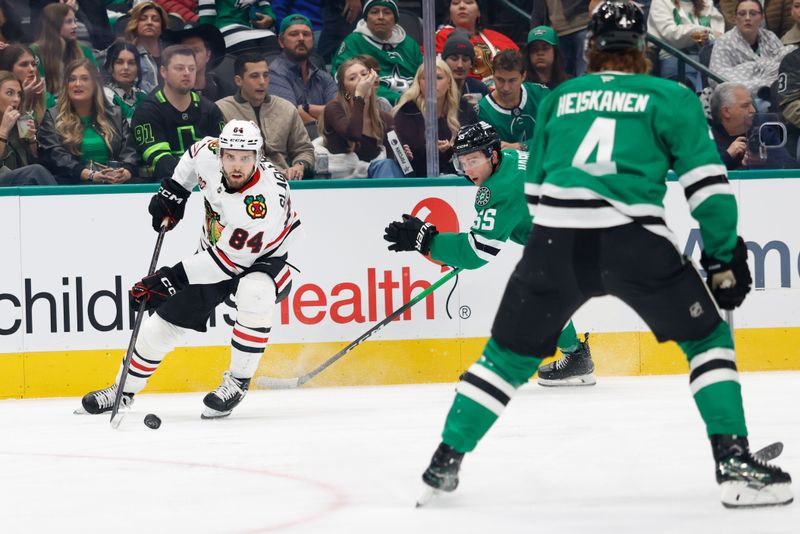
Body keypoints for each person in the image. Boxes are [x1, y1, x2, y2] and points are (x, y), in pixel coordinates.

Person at [414, 1, 792, 509]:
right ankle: (735, 464)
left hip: (556, 243)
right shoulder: (670, 96)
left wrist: (545, 252)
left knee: (503, 357)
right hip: (636, 240)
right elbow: (709, 189)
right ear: (644, 50)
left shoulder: (558, 98)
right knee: (708, 340)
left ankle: (444, 461)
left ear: (590, 47)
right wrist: (723, 257)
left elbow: (538, 186)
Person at [81, 119, 300, 418]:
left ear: (258, 156)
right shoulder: (207, 152)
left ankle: (236, 383)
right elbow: (192, 156)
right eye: (230, 156)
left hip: (265, 259)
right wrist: (174, 192)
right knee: (161, 327)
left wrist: (170, 279)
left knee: (255, 293)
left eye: (246, 158)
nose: (237, 165)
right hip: (214, 254)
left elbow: (228, 263)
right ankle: (123, 390)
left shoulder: (261, 201)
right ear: (220, 152)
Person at [384, 121, 595, 384]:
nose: (468, 170)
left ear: (492, 155)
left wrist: (427, 242)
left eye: (474, 161)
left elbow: (474, 253)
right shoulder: (510, 158)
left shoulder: (501, 189)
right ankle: (575, 357)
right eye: (463, 162)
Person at [131, 45, 226, 181]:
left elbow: (223, 154)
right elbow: (161, 161)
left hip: (209, 186)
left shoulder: (210, 110)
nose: (187, 73)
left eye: (192, 69)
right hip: (164, 188)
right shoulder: (148, 111)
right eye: (179, 68)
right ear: (163, 72)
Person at [38, 59, 139, 184]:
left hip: (113, 185)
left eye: (84, 79)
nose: (77, 84)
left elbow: (130, 151)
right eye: (72, 79)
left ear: (95, 84)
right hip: (72, 186)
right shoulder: (53, 117)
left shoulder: (115, 115)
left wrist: (126, 172)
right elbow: (54, 155)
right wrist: (89, 175)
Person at [216, 53, 314, 181]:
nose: (262, 82)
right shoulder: (221, 109)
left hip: (284, 181)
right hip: (240, 182)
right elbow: (216, 155)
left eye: (266, 75)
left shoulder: (286, 108)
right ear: (239, 81)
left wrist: (299, 166)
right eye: (254, 76)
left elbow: (304, 149)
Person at [319, 55, 402, 178]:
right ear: (345, 90)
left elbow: (393, 159)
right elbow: (353, 135)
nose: (362, 81)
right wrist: (359, 97)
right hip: (345, 182)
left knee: (390, 165)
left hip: (377, 179)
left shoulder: (385, 118)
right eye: (353, 78)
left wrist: (403, 155)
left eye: (364, 74)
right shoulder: (334, 109)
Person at [392, 59, 477, 177]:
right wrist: (409, 153)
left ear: (449, 83)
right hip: (415, 178)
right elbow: (400, 155)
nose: (432, 82)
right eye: (426, 78)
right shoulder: (407, 111)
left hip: (457, 177)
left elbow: (476, 149)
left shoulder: (464, 109)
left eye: (438, 77)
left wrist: (452, 150)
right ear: (419, 83)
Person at [331, 0, 423, 105]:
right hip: (372, 104)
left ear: (395, 19)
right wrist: (399, 99)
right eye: (374, 12)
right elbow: (341, 76)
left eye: (387, 12)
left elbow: (424, 77)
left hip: (413, 104)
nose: (380, 17)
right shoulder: (353, 42)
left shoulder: (410, 44)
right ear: (366, 18)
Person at [709, 0, 793, 101]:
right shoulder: (723, 42)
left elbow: (783, 68)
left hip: (773, 94)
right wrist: (757, 70)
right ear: (735, 18)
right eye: (742, 14)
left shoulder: (770, 37)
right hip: (737, 100)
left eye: (753, 14)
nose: (747, 18)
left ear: (762, 18)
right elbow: (716, 79)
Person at [269, 14, 338, 128]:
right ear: (281, 41)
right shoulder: (274, 74)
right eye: (294, 34)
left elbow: (339, 111)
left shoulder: (322, 76)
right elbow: (293, 116)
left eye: (306, 34)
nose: (301, 38)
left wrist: (307, 108)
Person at [710, 81, 798, 169]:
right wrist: (728, 156)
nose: (753, 110)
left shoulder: (762, 132)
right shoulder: (707, 139)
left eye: (751, 104)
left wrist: (766, 161)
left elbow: (792, 167)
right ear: (726, 112)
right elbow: (703, 175)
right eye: (745, 106)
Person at [478, 49, 550, 150]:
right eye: (500, 80)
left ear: (523, 76)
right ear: (492, 75)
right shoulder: (483, 111)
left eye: (512, 80)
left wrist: (521, 146)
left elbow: (559, 132)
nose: (506, 87)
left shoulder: (540, 94)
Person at [647, 0, 724, 91]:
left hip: (707, 59)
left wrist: (704, 34)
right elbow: (671, 34)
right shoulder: (661, 2)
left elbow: (718, 34)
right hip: (675, 58)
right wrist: (699, 34)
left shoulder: (706, 2)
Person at [435, 0, 518, 84]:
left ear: (479, 11)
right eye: (456, 3)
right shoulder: (439, 37)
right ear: (449, 13)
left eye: (468, 2)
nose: (462, 6)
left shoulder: (497, 37)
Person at [0, 71, 57, 186]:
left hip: (20, 187)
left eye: (19, 94)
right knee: (35, 172)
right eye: (10, 93)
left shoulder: (20, 123)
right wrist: (3, 131)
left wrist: (31, 140)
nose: (16, 99)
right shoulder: (6, 128)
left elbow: (35, 163)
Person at [31, 3, 99, 97]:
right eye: (69, 22)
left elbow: (97, 85)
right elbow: (39, 91)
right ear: (54, 25)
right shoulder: (35, 51)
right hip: (51, 106)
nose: (75, 26)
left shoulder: (84, 51)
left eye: (75, 21)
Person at [163, 23, 233, 102]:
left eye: (196, 50)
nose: (191, 55)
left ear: (208, 55)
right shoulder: (168, 91)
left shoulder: (224, 90)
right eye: (184, 51)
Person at [531, 0, 590, 76]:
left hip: (582, 25)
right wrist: (533, 33)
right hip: (556, 31)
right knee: (561, 75)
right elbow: (537, 11)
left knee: (583, 71)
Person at [197, 0, 278, 55]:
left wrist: (270, 18)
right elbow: (206, 19)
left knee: (271, 40)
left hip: (251, 29)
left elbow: (265, 5)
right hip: (224, 28)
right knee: (250, 51)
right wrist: (209, 44)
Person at [123, 1, 169, 94]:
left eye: (155, 19)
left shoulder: (171, 53)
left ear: (162, 26)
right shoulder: (125, 53)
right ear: (135, 23)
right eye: (143, 19)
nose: (149, 23)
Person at [0, 45, 48, 125]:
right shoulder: (3, 98)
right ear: (9, 69)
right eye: (24, 64)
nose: (32, 69)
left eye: (33, 64)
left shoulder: (46, 98)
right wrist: (23, 99)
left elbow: (27, 136)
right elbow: (19, 134)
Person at [103, 41, 148, 123]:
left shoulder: (142, 95)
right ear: (110, 66)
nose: (126, 67)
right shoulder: (106, 96)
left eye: (131, 63)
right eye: (119, 62)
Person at [441, 29, 489, 100]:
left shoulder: (480, 89)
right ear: (444, 61)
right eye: (454, 59)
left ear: (471, 64)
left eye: (465, 60)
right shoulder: (435, 89)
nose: (460, 65)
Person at [719, 0, 794, 39]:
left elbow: (788, 26)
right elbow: (732, 16)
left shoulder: (772, 40)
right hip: (739, 39)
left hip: (775, 41)